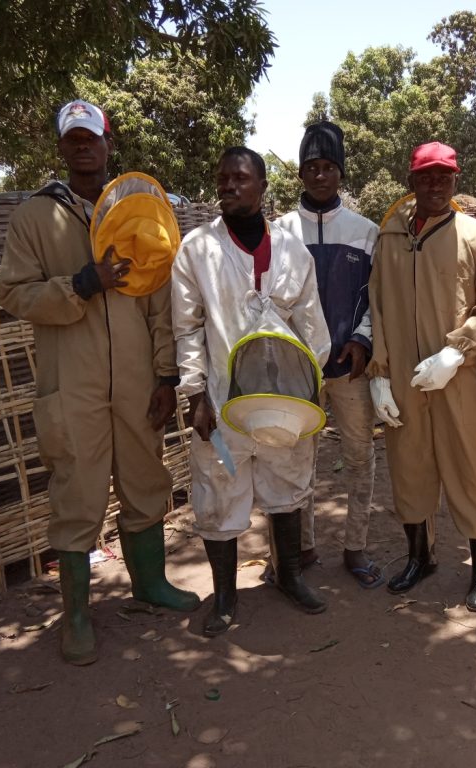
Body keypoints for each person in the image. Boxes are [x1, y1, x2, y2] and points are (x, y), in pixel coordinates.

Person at [0, 99, 199, 666]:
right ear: (62, 147)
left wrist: (165, 373)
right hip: (73, 385)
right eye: (74, 138)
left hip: (137, 383)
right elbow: (13, 295)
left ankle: (150, 585)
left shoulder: (142, 211)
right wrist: (81, 283)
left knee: (145, 480)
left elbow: (161, 302)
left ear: (109, 143)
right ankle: (78, 616)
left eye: (93, 136)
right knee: (76, 494)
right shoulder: (35, 218)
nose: (84, 145)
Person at [171, 146, 332, 636]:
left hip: (284, 401)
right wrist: (196, 393)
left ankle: (288, 575)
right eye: (221, 179)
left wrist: (309, 391)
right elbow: (186, 328)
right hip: (221, 403)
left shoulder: (292, 251)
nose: (228, 186)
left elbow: (312, 327)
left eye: (239, 178)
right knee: (219, 491)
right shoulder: (196, 250)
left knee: (287, 483)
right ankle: (224, 596)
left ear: (262, 187)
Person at [367, 142, 476, 611]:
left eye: (444, 176)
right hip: (405, 375)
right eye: (426, 176)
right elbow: (378, 305)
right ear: (412, 181)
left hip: (459, 375)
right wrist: (379, 373)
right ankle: (418, 556)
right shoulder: (389, 238)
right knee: (409, 465)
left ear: (456, 180)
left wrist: (457, 350)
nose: (435, 184)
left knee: (471, 466)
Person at [276, 122, 382, 589]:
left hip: (350, 367)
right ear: (301, 174)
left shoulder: (365, 232)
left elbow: (378, 298)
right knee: (298, 460)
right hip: (297, 371)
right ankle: (302, 548)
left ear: (340, 173)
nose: (320, 176)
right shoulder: (279, 231)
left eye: (328, 168)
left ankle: (356, 548)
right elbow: (269, 301)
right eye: (311, 168)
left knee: (360, 458)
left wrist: (362, 338)